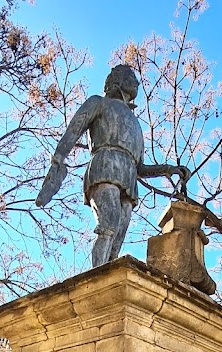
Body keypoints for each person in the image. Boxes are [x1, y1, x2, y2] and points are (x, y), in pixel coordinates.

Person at [36, 64, 188, 267]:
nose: (136, 82)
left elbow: (140, 168)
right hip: (104, 168)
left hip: (129, 179)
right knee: (108, 225)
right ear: (117, 80)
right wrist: (58, 158)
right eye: (130, 77)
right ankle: (96, 281)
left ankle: (109, 285)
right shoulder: (99, 103)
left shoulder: (136, 124)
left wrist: (169, 169)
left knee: (117, 240)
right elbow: (74, 131)